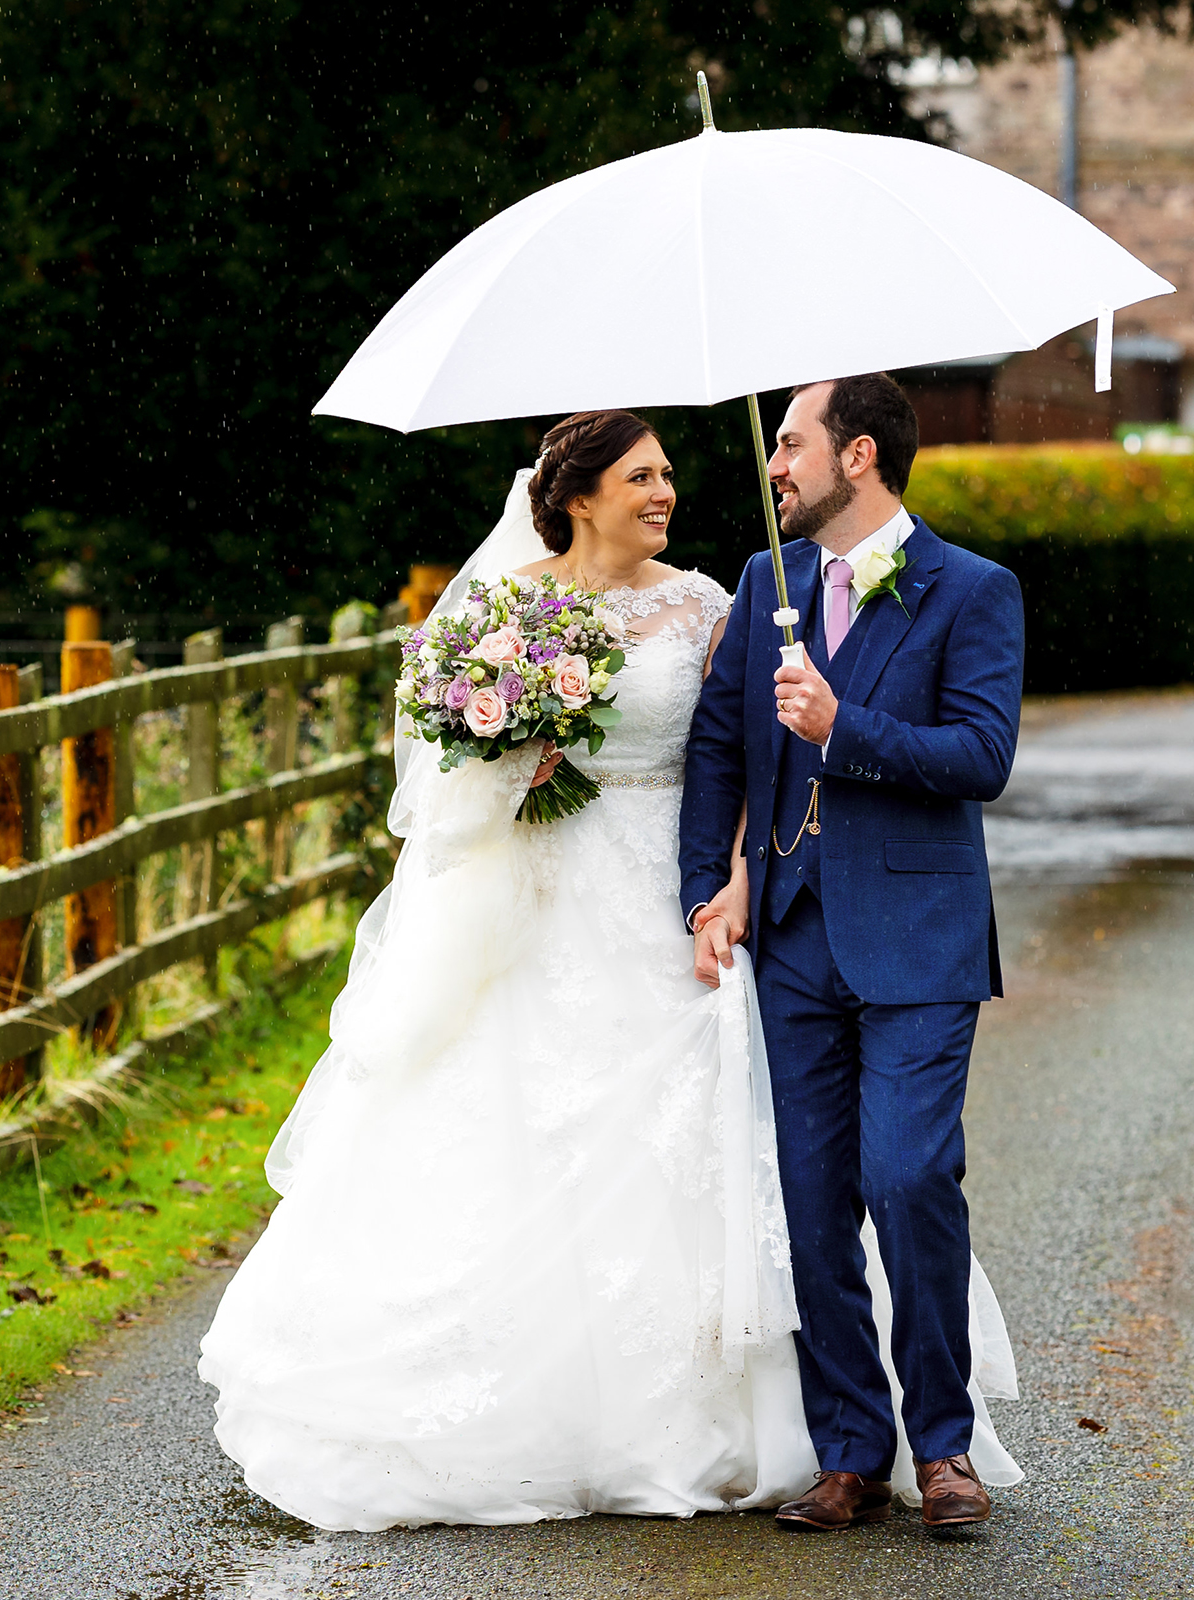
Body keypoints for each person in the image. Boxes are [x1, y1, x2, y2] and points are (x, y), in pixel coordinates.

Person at [198, 408, 1020, 1533]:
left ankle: (907, 1444)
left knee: (832, 1171)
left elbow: (753, 748)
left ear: (857, 452)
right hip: (560, 899)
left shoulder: (729, 599)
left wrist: (730, 870)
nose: (668, 490)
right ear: (576, 494)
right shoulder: (515, 609)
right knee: (668, 1161)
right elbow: (450, 781)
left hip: (709, 906)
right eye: (643, 476)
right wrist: (511, 769)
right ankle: (783, 1436)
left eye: (672, 472)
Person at [681, 374, 1026, 1532]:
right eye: (775, 445)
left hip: (922, 938)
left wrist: (845, 730)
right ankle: (846, 1447)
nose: (775, 465)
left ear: (859, 454)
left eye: (792, 444)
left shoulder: (974, 590)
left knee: (910, 1178)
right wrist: (705, 891)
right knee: (814, 1202)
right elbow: (718, 751)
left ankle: (943, 1446)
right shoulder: (763, 581)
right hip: (789, 936)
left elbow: (981, 754)